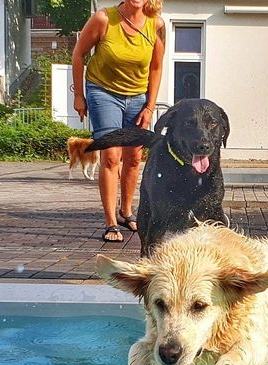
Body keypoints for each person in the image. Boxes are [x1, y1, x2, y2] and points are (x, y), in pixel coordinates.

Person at [72, 0, 165, 242]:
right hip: (103, 93)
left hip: (138, 98)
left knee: (133, 157)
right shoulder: (104, 19)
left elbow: (156, 68)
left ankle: (126, 212)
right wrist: (79, 95)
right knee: (111, 156)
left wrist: (149, 106)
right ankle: (111, 222)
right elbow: (78, 54)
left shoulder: (156, 24)